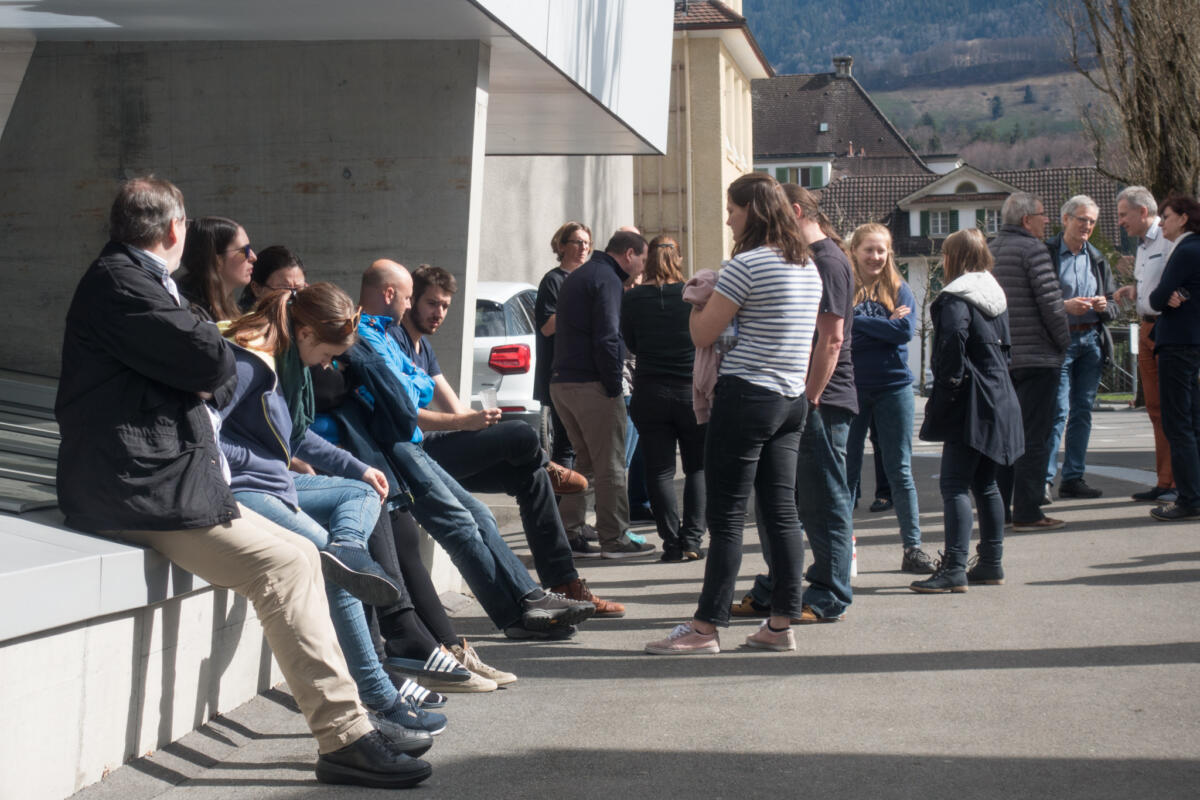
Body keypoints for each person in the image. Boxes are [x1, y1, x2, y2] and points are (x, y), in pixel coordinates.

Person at [54, 177, 431, 789]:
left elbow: (206, 358)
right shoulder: (123, 283)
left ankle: (356, 721)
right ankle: (345, 736)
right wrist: (203, 341)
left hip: (161, 481)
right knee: (283, 565)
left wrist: (200, 340)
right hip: (138, 490)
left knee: (303, 554)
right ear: (174, 229)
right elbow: (212, 360)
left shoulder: (136, 281)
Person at [218, 282, 451, 734]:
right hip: (247, 489)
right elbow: (207, 436)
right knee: (338, 570)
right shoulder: (249, 363)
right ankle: (379, 695)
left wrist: (358, 468)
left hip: (276, 482)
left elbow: (295, 436)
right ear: (305, 334)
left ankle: (346, 548)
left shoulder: (284, 361)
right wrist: (261, 459)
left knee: (362, 493)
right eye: (328, 354)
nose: (327, 365)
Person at [341, 260, 596, 640]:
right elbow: (405, 405)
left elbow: (420, 389)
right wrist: (456, 416)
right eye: (417, 300)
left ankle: (539, 596)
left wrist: (448, 409)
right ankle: (518, 614)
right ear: (391, 294)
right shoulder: (367, 336)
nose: (417, 308)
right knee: (463, 520)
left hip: (411, 445)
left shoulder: (388, 335)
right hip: (394, 450)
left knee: (496, 502)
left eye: (444, 305)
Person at [644, 172, 823, 655]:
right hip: (791, 399)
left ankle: (705, 629)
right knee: (782, 513)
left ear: (752, 212)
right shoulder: (807, 266)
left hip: (746, 395)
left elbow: (703, 334)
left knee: (725, 518)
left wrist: (695, 301)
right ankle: (780, 625)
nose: (728, 219)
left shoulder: (746, 265)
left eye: (732, 210)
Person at [731, 184, 856, 623]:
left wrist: (811, 396)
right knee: (776, 501)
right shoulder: (801, 258)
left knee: (822, 501)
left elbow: (832, 339)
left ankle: (828, 594)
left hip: (820, 400)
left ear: (796, 212)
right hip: (790, 396)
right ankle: (777, 587)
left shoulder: (827, 260)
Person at [912, 229, 1023, 593]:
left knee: (955, 484)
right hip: (1001, 394)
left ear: (953, 258)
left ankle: (955, 567)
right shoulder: (995, 296)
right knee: (986, 483)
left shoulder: (956, 298)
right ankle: (991, 561)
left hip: (972, 399)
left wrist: (948, 388)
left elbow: (952, 344)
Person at [551, 230, 657, 559]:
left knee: (585, 463)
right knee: (611, 464)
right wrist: (614, 386)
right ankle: (616, 538)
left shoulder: (580, 275)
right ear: (629, 254)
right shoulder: (607, 279)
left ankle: (570, 533)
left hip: (563, 382)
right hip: (591, 384)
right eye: (642, 260)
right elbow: (609, 337)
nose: (642, 268)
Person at [843, 223, 933, 574]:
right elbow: (839, 336)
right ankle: (841, 553)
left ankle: (913, 548)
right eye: (869, 249)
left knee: (900, 471)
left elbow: (903, 332)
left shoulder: (900, 287)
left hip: (894, 387)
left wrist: (857, 322)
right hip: (852, 388)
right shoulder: (843, 287)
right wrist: (882, 328)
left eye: (881, 250)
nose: (876, 256)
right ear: (855, 251)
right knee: (847, 473)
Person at [621, 235, 707, 561]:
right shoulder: (692, 294)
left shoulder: (632, 298)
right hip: (690, 390)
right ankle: (692, 540)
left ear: (648, 260)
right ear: (679, 259)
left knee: (659, 471)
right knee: (697, 467)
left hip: (650, 390)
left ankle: (671, 543)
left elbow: (631, 342)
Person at [991, 192, 1070, 531]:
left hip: (1002, 358)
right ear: (1026, 220)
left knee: (1004, 438)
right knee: (1035, 437)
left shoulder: (991, 250)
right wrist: (1063, 343)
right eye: (1042, 214)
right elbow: (1051, 304)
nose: (1046, 220)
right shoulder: (1034, 250)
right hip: (1037, 358)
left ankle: (999, 511)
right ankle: (1028, 511)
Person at [1043, 195, 1116, 499]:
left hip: (1091, 342)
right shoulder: (1047, 254)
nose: (1087, 226)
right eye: (1082, 219)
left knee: (1082, 411)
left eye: (1092, 221)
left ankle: (1073, 478)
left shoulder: (1097, 258)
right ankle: (1044, 480)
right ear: (1065, 219)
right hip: (1060, 342)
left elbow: (1114, 305)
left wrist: (1104, 305)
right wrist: (1064, 306)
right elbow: (1034, 301)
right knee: (1057, 411)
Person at [1114, 187, 1177, 503]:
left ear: (1142, 212)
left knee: (1173, 408)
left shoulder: (1168, 239)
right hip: (1147, 328)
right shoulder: (1141, 246)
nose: (1120, 221)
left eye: (1123, 214)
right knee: (1155, 409)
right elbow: (1154, 284)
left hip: (1168, 329)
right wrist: (1134, 291)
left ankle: (1178, 480)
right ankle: (1165, 480)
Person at [1146, 193, 1200, 522]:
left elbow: (1156, 298)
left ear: (1182, 217)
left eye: (1165, 216)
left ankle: (1189, 498)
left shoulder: (1186, 249)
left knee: (1178, 423)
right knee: (1193, 421)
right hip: (1191, 343)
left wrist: (1168, 296)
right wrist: (1174, 294)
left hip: (1177, 344)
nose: (1161, 223)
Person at [535, 222, 592, 474]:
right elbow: (547, 327)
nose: (583, 248)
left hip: (588, 374)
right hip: (561, 375)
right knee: (566, 444)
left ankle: (580, 494)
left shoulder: (590, 280)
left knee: (586, 444)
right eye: (577, 242)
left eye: (587, 243)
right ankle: (561, 497)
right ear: (562, 246)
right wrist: (578, 307)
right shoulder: (553, 281)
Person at [177, 216, 257, 321]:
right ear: (217, 260)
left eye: (250, 248)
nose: (253, 257)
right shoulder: (191, 316)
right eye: (245, 250)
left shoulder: (226, 308)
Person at [239, 244, 308, 310]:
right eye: (284, 290)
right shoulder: (242, 318)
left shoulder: (309, 316)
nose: (292, 297)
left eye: (298, 289)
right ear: (257, 289)